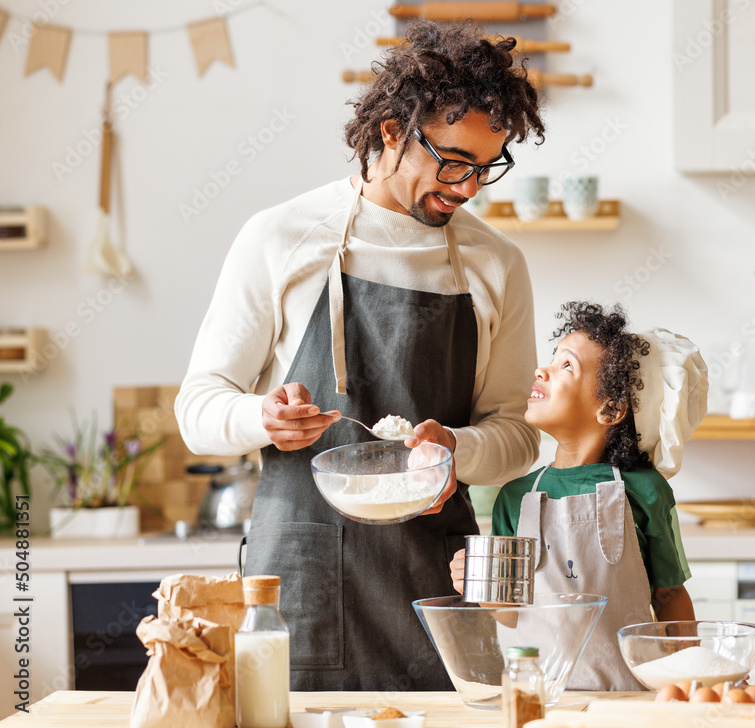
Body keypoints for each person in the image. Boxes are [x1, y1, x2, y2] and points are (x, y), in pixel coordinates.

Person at [175, 22, 545, 691]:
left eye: (486, 169)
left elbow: (518, 436)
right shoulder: (281, 237)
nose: (468, 189)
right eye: (455, 162)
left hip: (440, 583)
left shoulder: (497, 264)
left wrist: (458, 449)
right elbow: (197, 408)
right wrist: (264, 417)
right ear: (390, 133)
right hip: (306, 582)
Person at [449, 301, 709, 690]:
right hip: (540, 701)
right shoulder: (515, 497)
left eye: (566, 366)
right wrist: (480, 585)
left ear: (610, 409)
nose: (541, 371)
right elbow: (511, 612)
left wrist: (692, 673)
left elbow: (670, 595)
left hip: (629, 702)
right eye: (552, 361)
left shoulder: (646, 491)